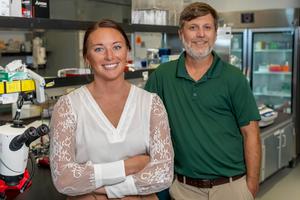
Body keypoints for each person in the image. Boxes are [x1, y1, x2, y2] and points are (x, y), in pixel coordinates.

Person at [145, 2, 261, 200]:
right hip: (184, 189)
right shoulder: (162, 76)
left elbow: (251, 134)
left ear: (215, 33)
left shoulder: (233, 78)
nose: (200, 34)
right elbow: (143, 124)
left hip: (230, 187)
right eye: (193, 27)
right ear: (181, 34)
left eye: (207, 27)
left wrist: (251, 185)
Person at [49, 19, 174, 200]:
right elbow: (64, 179)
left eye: (116, 47)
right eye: (99, 49)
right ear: (87, 57)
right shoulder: (68, 107)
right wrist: (130, 166)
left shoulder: (151, 104)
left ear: (127, 51)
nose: (109, 56)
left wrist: (104, 190)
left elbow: (163, 174)